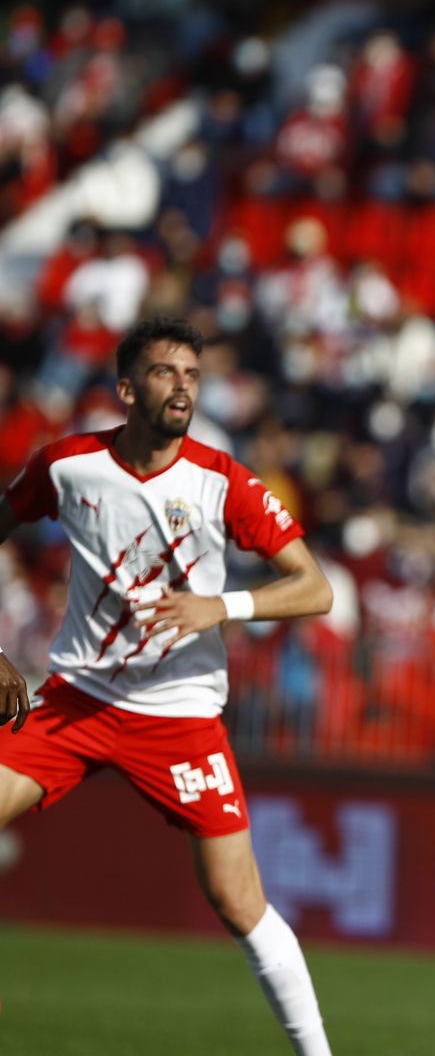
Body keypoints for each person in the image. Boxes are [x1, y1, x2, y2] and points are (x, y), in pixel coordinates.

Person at [0, 316, 337, 1055]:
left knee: (236, 899)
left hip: (179, 714)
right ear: (126, 389)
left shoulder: (222, 481)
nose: (182, 385)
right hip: (76, 699)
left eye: (191, 374)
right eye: (163, 373)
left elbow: (315, 589)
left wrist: (222, 606)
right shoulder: (68, 466)